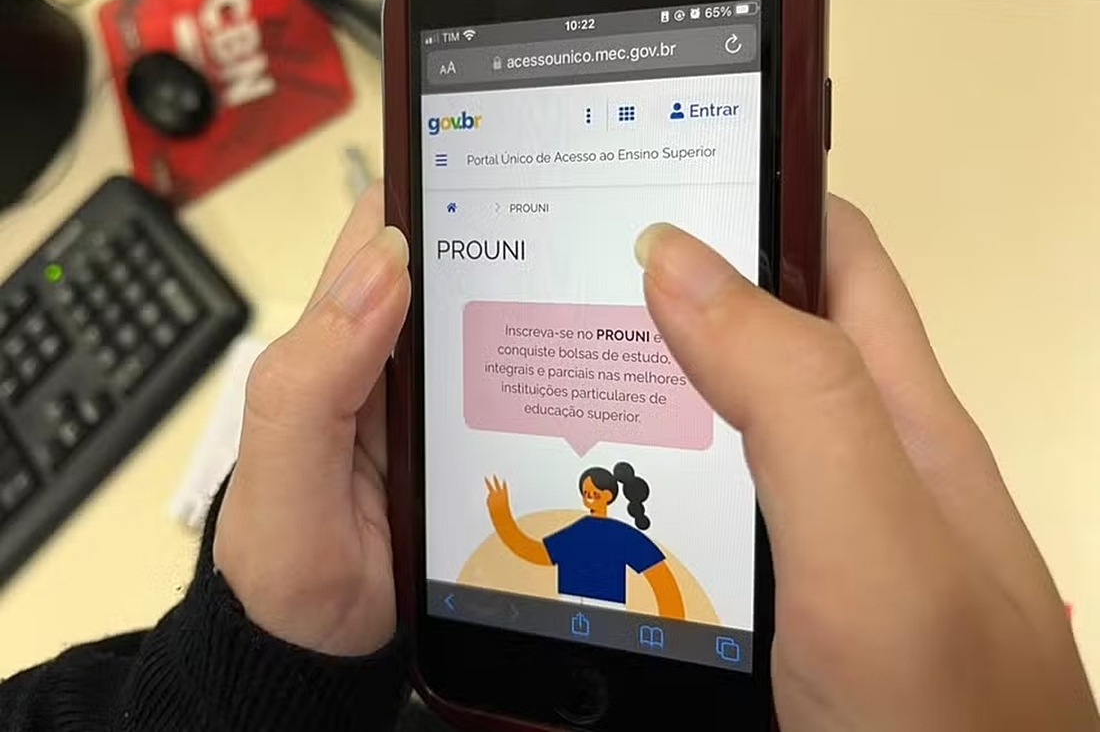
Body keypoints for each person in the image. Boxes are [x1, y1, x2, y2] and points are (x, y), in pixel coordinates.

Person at [1, 181, 1098, 732]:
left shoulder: (614, 533)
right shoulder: (582, 527)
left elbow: (655, 574)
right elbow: (549, 548)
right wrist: (261, 667)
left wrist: (248, 683)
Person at [485, 462, 686, 618]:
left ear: (608, 495)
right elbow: (536, 552)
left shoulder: (622, 535)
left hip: (609, 609)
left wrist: (673, 627)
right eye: (586, 493)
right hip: (568, 604)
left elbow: (661, 580)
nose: (589, 498)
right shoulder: (578, 531)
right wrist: (501, 516)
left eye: (594, 494)